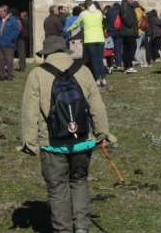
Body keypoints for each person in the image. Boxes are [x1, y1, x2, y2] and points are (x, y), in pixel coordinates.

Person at [20, 36, 116, 233]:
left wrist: (29, 142)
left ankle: (62, 229)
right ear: (65, 51)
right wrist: (102, 133)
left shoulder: (37, 74)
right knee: (79, 181)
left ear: (46, 54)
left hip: (52, 143)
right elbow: (96, 105)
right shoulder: (83, 70)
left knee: (57, 188)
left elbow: (30, 111)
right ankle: (81, 227)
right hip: (82, 140)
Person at [68, 0, 108, 88]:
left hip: (89, 39)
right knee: (100, 59)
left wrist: (69, 29)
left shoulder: (84, 14)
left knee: (94, 60)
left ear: (85, 6)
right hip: (100, 38)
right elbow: (101, 23)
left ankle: (97, 80)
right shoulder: (99, 12)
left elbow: (77, 23)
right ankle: (104, 79)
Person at [0, 5, 21, 81]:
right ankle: (0, 75)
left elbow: (16, 31)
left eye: (1, 12)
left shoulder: (12, 20)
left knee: (9, 60)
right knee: (0, 60)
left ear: (6, 12)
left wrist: (10, 39)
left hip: (8, 44)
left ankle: (9, 75)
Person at [119, 0, 140, 74]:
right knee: (132, 47)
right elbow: (124, 17)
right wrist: (130, 24)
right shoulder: (125, 5)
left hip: (128, 30)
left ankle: (127, 66)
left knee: (127, 48)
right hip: (128, 30)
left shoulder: (128, 5)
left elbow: (136, 4)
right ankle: (129, 65)